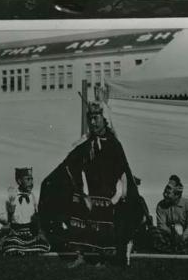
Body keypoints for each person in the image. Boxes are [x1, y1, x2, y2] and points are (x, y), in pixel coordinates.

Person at [39, 101, 144, 267]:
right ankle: (80, 255)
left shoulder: (113, 144)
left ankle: (101, 257)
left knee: (104, 224)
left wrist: (120, 192)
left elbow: (123, 170)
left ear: (104, 119)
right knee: (69, 204)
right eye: (90, 118)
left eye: (96, 118)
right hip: (87, 192)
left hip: (107, 193)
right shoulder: (86, 143)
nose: (93, 122)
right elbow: (69, 165)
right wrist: (68, 186)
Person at [0, 167, 50, 256]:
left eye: (32, 179)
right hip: (16, 233)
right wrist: (9, 213)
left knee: (44, 245)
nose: (31, 182)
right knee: (10, 245)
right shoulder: (12, 195)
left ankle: (24, 250)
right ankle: (20, 249)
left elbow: (36, 215)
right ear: (19, 181)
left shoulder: (32, 196)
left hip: (29, 233)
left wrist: (38, 227)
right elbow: (2, 219)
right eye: (28, 179)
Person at [153, 175, 188, 253]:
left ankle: (173, 249)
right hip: (169, 237)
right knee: (154, 232)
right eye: (164, 192)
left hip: (185, 237)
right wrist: (173, 236)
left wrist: (182, 238)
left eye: (168, 193)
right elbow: (161, 226)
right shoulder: (161, 205)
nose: (165, 195)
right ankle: (179, 250)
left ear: (177, 195)